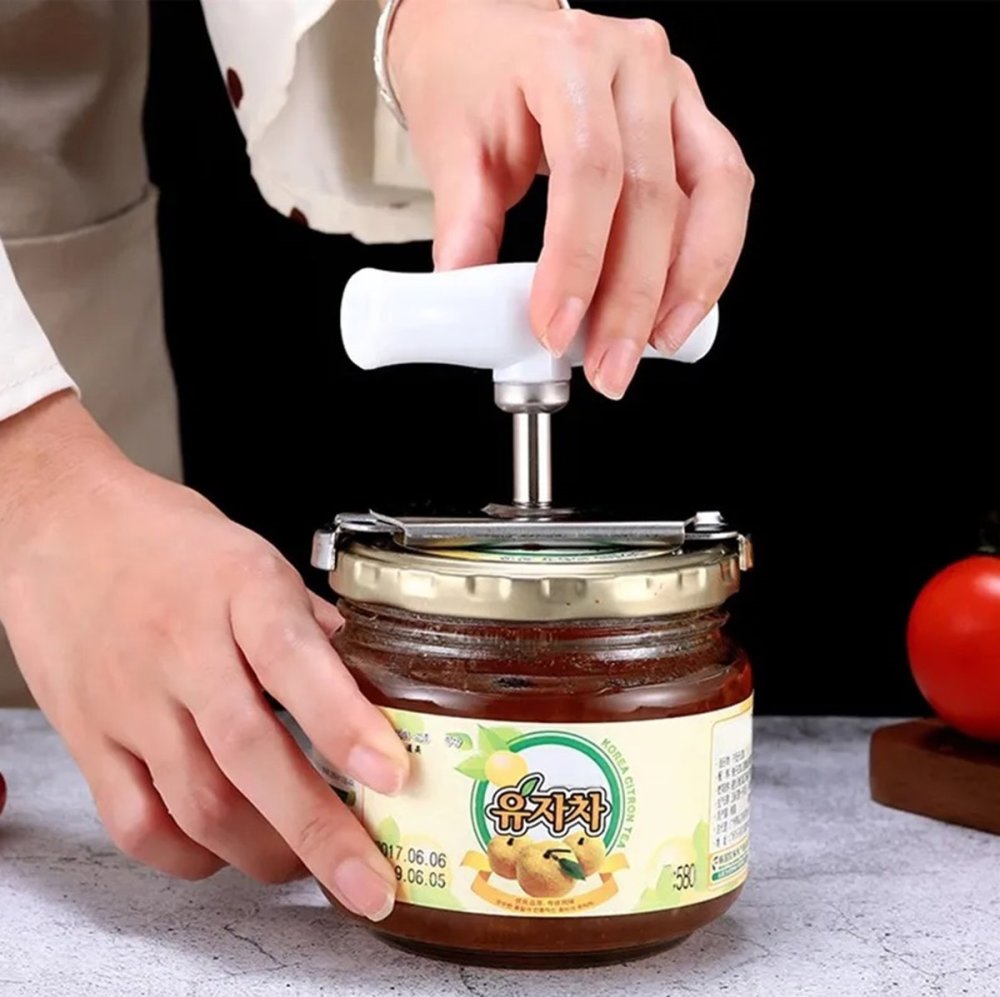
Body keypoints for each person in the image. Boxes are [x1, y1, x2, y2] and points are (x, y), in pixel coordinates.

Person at [0, 0, 752, 923]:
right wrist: (32, 478)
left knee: (150, 766)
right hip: (52, 432)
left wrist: (405, 18)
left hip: (69, 284)